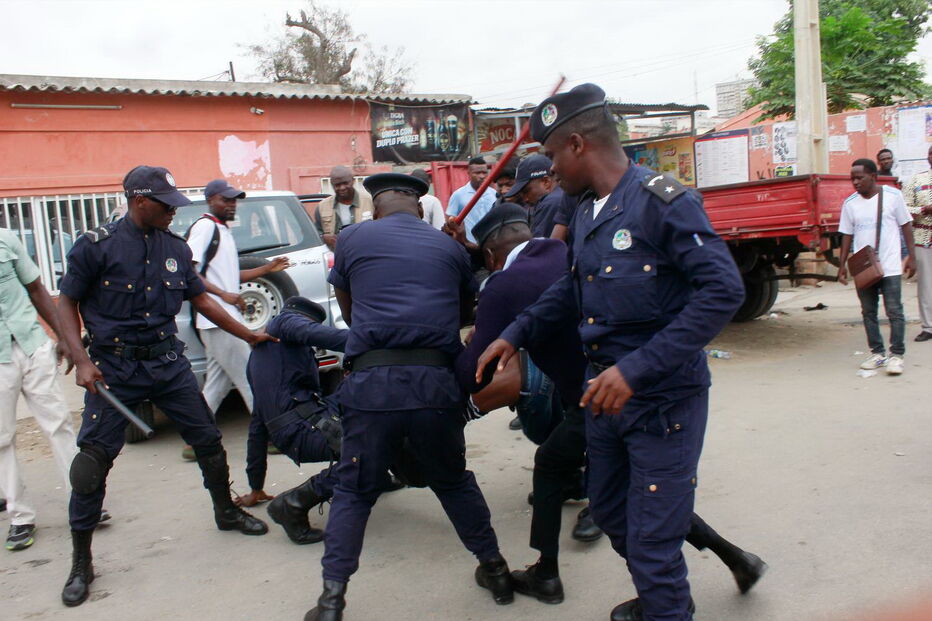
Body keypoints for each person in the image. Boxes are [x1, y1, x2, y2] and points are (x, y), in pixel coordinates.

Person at [476, 84, 747, 621]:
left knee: (652, 543)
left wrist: (638, 368)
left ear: (577, 144)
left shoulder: (663, 201)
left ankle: (666, 605)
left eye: (552, 156)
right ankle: (665, 600)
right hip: (603, 401)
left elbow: (724, 291)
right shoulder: (585, 211)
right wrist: (515, 332)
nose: (549, 172)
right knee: (615, 517)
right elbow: (570, 287)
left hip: (661, 402)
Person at [461, 206, 766, 607]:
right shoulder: (567, 252)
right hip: (626, 384)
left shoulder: (504, 285)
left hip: (600, 396)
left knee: (578, 476)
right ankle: (734, 559)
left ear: (489, 256)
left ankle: (550, 574)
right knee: (638, 493)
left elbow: (474, 371)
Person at [55, 165, 275, 607]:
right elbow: (66, 301)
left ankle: (226, 511)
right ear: (140, 202)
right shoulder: (96, 247)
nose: (173, 211)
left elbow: (200, 300)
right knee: (91, 464)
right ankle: (81, 561)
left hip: (167, 362)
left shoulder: (174, 247)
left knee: (209, 441)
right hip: (114, 368)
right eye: (165, 204)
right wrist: (80, 359)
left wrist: (248, 334)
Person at [305, 173, 513, 620]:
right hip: (435, 383)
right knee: (453, 480)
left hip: (372, 384)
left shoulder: (351, 238)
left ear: (376, 208)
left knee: (355, 491)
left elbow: (348, 310)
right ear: (420, 209)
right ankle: (495, 570)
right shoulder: (450, 248)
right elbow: (463, 311)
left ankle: (331, 601)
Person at [180, 179, 291, 460]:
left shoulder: (222, 231)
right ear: (210, 200)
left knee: (216, 385)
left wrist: (268, 268)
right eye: (226, 199)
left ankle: (195, 442)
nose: (232, 204)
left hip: (221, 320)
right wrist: (224, 295)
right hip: (217, 320)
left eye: (234, 200)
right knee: (250, 377)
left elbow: (231, 276)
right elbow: (190, 274)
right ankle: (271, 435)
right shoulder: (205, 228)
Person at [241, 296, 346, 544]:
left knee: (368, 394)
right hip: (305, 430)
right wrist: (377, 341)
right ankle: (292, 505)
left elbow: (257, 425)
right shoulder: (284, 324)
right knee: (373, 449)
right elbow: (317, 334)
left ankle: (377, 476)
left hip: (299, 426)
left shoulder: (262, 356)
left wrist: (256, 486)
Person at [0, 228, 76, 551]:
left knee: (59, 424)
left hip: (33, 346)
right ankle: (20, 517)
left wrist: (65, 338)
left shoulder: (6, 240)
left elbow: (36, 289)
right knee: (2, 440)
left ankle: (82, 500)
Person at [837, 159, 916, 375]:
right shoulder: (850, 203)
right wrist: (842, 264)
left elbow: (905, 225)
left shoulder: (893, 196)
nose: (855, 182)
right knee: (868, 312)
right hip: (864, 267)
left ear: (873, 176)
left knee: (894, 311)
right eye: (852, 178)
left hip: (890, 265)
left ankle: (896, 355)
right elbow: (846, 235)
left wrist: (911, 256)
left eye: (859, 177)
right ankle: (878, 353)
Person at [504, 153, 576, 240]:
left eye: (526, 191)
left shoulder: (550, 203)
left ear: (546, 182)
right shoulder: (563, 195)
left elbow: (539, 249)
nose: (525, 199)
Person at [902, 145, 932, 342]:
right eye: (931, 153)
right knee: (927, 286)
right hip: (923, 240)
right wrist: (924, 209)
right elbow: (904, 210)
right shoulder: (916, 180)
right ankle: (928, 326)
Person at [310, 166, 374, 250]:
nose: (342, 188)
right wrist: (324, 238)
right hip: (336, 257)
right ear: (332, 185)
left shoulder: (370, 201)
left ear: (353, 181)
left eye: (345, 183)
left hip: (365, 255)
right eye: (337, 185)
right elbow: (315, 235)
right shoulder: (322, 207)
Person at [445, 156, 498, 243]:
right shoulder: (458, 195)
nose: (481, 176)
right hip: (468, 245)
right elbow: (449, 221)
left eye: (484, 172)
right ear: (468, 173)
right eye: (477, 173)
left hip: (490, 245)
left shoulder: (494, 194)